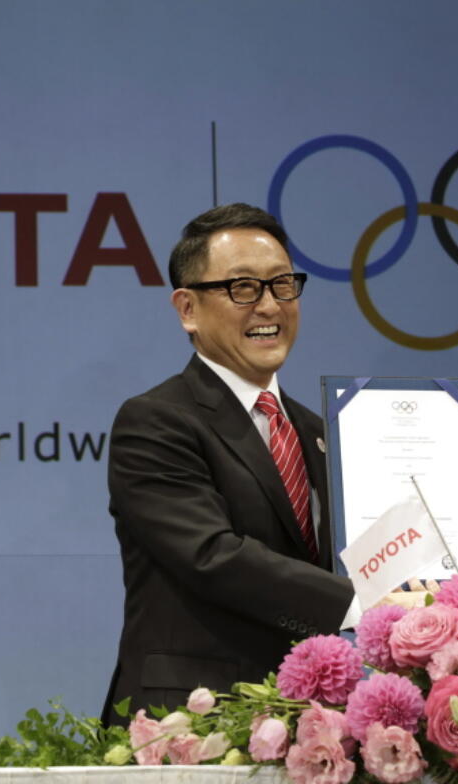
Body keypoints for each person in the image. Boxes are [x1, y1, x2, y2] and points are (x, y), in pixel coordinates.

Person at [101, 203, 355, 723]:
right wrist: (360, 605)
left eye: (283, 284)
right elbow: (212, 556)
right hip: (191, 722)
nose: (269, 306)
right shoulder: (155, 421)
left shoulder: (320, 431)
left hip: (310, 721)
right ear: (187, 309)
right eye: (242, 288)